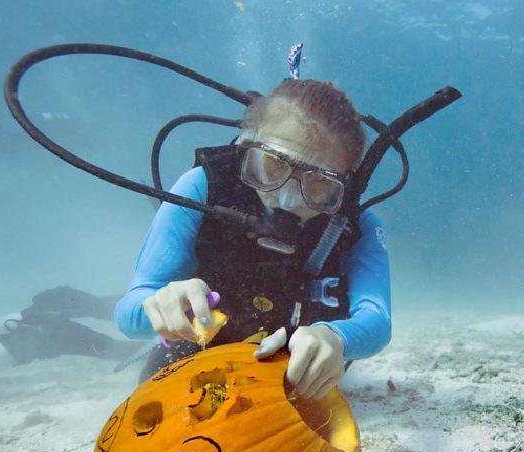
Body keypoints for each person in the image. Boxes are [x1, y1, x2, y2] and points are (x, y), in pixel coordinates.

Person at [115, 79, 391, 398]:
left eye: (318, 182)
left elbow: (377, 320)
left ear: (346, 184)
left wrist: (337, 337)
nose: (286, 199)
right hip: (203, 349)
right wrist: (160, 306)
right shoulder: (199, 188)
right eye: (274, 165)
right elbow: (130, 312)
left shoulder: (359, 227)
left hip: (294, 362)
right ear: (247, 146)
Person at [0, 286, 142, 377]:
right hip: (32, 330)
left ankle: (158, 337)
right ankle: (147, 311)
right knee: (49, 328)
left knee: (48, 329)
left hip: (34, 332)